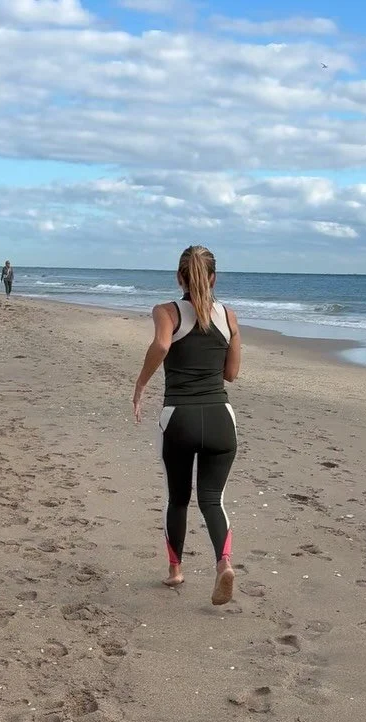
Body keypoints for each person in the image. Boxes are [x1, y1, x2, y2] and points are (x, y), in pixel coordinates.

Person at [132, 246, 241, 604]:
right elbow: (231, 373)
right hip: (222, 419)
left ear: (179, 277)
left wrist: (140, 386)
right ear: (214, 278)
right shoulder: (228, 316)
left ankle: (175, 570)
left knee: (178, 499)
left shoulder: (167, 311)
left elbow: (162, 345)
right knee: (213, 499)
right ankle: (223, 563)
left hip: (180, 417)